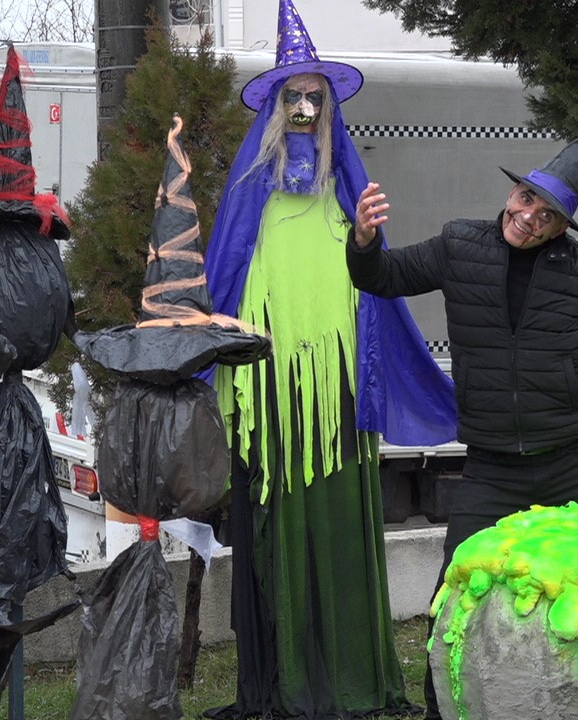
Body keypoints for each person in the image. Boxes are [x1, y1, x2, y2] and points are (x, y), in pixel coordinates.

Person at [345, 123, 578, 717]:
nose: (531, 217)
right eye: (527, 200)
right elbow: (380, 278)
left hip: (575, 457)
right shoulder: (459, 245)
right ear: (513, 195)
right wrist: (363, 241)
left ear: (563, 227)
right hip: (492, 468)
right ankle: (445, 707)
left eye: (549, 214)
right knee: (455, 592)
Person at [202, 2, 456, 717]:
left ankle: (351, 675)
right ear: (277, 107)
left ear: (331, 108)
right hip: (274, 385)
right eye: (295, 95)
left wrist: (371, 235)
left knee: (342, 521)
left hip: (341, 392)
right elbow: (223, 275)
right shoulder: (249, 190)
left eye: (317, 96)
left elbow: (374, 279)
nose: (306, 106)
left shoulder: (349, 191)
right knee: (277, 523)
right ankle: (286, 680)